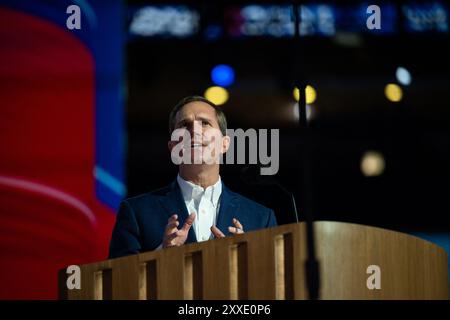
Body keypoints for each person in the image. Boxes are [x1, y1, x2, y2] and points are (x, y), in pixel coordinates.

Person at [109, 96, 277, 258]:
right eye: (184, 125)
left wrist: (247, 258)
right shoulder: (136, 212)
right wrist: (160, 254)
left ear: (224, 144)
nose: (194, 131)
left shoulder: (261, 218)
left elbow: (275, 280)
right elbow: (118, 282)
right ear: (173, 146)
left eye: (205, 123)